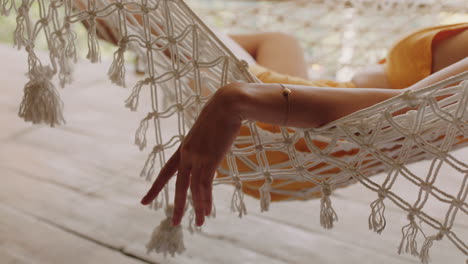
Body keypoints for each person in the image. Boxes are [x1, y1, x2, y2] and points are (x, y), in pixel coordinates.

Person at [75, 3, 468, 226]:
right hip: (315, 115)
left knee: (140, 10)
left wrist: (234, 98)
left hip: (296, 133)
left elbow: (404, 110)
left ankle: (151, 43)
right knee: (277, 40)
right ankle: (156, 47)